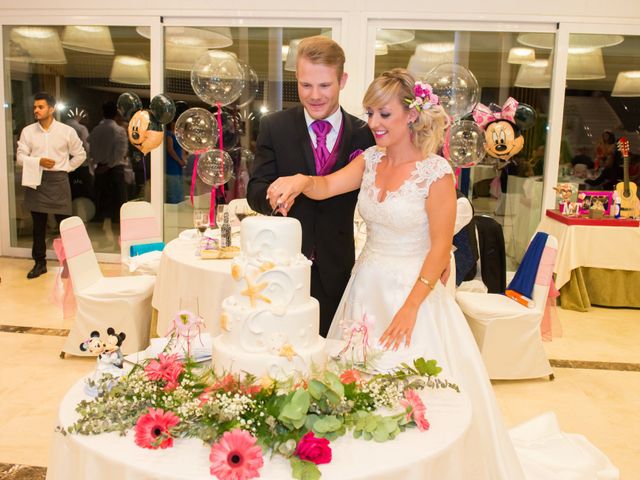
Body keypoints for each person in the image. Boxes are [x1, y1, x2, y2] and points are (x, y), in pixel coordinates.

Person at [269, 69, 528, 478]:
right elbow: (325, 186)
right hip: (365, 289)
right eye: (370, 113)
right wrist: (301, 180)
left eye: (384, 114)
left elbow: (442, 247)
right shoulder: (370, 160)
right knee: (355, 390)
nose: (373, 123)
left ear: (411, 115)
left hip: (416, 297)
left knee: (414, 399)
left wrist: (410, 309)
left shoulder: (436, 173)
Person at [247, 35, 375, 336]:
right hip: (282, 268)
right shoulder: (274, 127)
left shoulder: (364, 134)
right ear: (297, 79)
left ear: (342, 80)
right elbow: (254, 191)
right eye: (306, 85)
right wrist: (275, 198)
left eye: (325, 86)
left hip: (338, 265)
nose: (315, 95)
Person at [16, 92, 86, 279]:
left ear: (51, 109)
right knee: (38, 226)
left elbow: (80, 154)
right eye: (35, 107)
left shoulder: (66, 131)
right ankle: (40, 263)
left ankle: (69, 264)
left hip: (58, 181)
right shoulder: (28, 131)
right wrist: (38, 161)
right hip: (35, 180)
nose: (36, 110)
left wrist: (66, 168)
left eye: (40, 107)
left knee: (66, 226)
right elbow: (20, 157)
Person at [88, 100, 129, 245]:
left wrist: (96, 166)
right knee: (118, 206)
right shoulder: (119, 130)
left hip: (99, 169)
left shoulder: (95, 130)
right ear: (116, 113)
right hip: (114, 171)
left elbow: (90, 151)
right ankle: (119, 239)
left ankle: (103, 238)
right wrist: (109, 165)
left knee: (102, 204)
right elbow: (121, 153)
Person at [165, 120, 186, 204]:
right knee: (173, 190)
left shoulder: (176, 135)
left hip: (178, 165)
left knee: (179, 189)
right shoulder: (168, 135)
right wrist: (179, 160)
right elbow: (170, 150)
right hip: (172, 165)